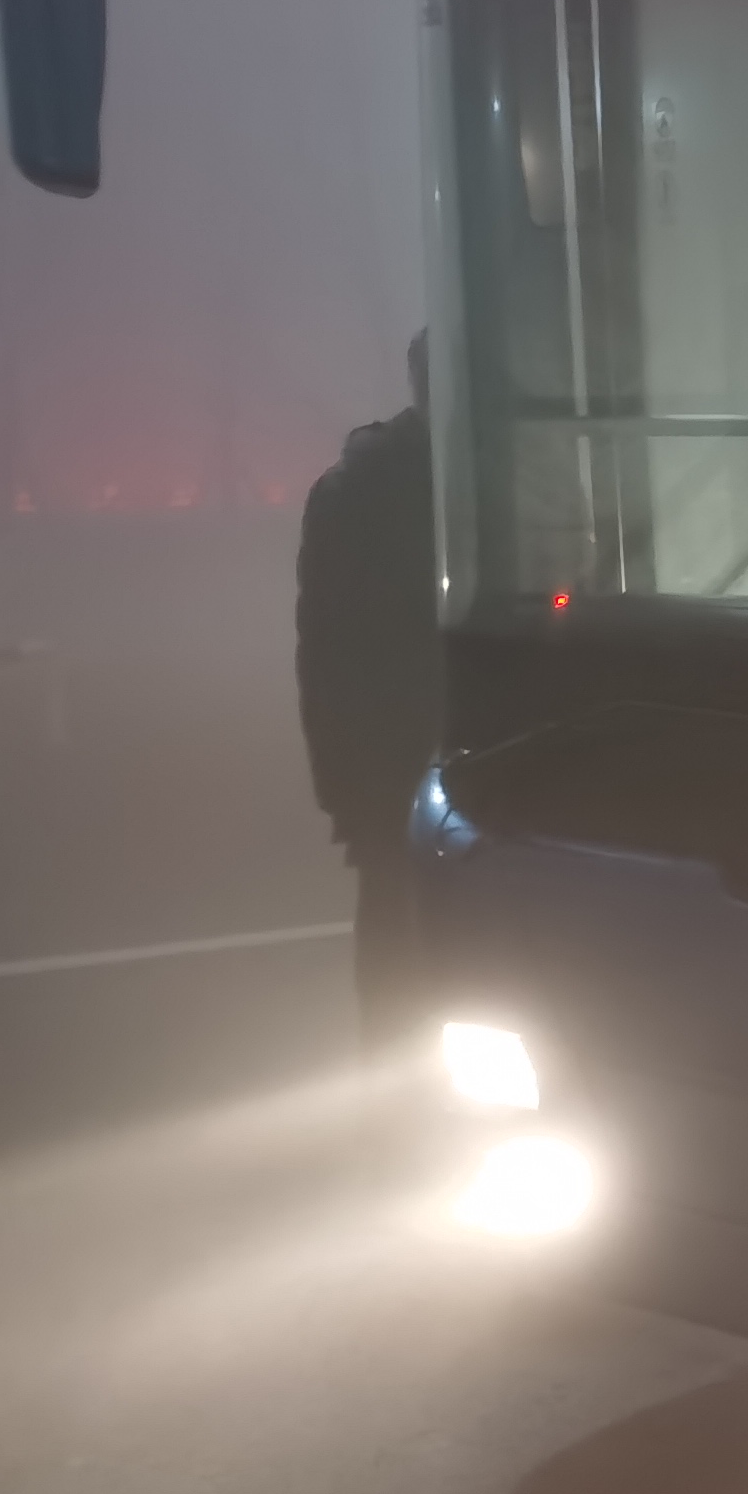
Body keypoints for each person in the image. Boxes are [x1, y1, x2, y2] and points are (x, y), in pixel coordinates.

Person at [296, 332, 443, 1049]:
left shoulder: (354, 487)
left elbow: (322, 652)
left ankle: (394, 1086)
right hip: (415, 756)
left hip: (390, 761)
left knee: (395, 946)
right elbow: (330, 651)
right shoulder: (504, 479)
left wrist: (339, 785)